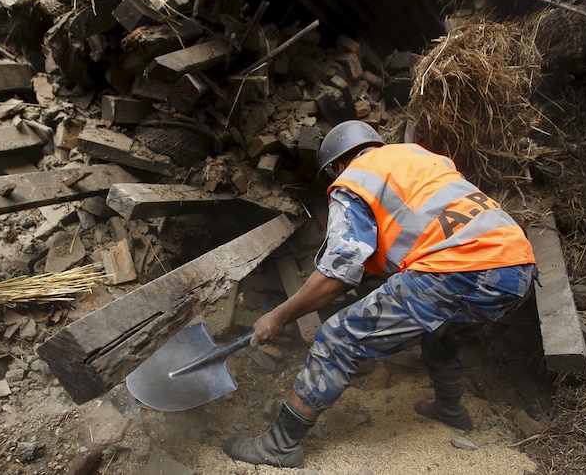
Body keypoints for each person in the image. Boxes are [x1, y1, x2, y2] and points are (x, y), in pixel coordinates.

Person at [222, 120, 538, 468]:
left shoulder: (354, 180)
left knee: (337, 339)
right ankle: (450, 409)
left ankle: (278, 446)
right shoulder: (418, 159)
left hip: (457, 268)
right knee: (442, 336)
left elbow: (339, 272)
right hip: (515, 268)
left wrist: (278, 316)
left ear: (336, 166)